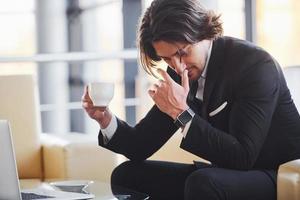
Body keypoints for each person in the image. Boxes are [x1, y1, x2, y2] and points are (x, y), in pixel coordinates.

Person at [82, 0, 300, 199]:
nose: (178, 66)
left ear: (204, 32)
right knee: (126, 175)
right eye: (167, 58)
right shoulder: (181, 72)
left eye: (182, 53)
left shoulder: (255, 65)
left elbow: (243, 156)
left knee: (203, 183)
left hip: (278, 175)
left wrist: (181, 113)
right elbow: (140, 145)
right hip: (225, 174)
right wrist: (105, 120)